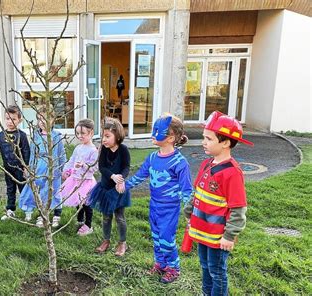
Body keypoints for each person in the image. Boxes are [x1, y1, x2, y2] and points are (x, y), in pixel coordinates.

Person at [184, 111, 253, 296]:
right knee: (205, 267)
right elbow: (197, 191)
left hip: (217, 237)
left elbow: (238, 209)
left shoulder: (232, 173)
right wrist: (189, 214)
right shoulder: (207, 164)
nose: (203, 142)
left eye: (209, 138)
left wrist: (229, 236)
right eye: (204, 138)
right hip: (202, 230)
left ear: (226, 142)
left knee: (217, 272)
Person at [124, 114, 192, 283]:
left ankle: (174, 269)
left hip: (170, 208)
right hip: (154, 206)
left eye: (157, 131)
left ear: (170, 138)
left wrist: (190, 214)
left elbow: (187, 190)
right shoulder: (153, 158)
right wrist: (124, 186)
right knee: (156, 237)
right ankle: (160, 264)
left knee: (166, 239)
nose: (153, 133)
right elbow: (140, 175)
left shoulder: (179, 162)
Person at [19, 106, 67, 227]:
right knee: (41, 192)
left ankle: (57, 214)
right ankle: (42, 215)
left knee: (55, 191)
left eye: (45, 119)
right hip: (40, 167)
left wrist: (64, 169)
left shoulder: (57, 136)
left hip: (54, 168)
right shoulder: (36, 135)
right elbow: (33, 152)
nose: (42, 122)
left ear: (52, 120)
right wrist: (30, 167)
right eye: (39, 119)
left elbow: (61, 153)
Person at [89, 117, 131, 257]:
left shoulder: (124, 150)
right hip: (106, 189)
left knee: (120, 217)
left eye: (107, 136)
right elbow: (102, 167)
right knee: (106, 217)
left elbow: (126, 167)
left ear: (117, 135)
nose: (104, 140)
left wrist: (121, 180)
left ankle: (122, 242)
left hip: (118, 190)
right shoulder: (104, 150)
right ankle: (106, 240)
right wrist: (112, 176)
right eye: (103, 137)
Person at [60, 119, 98, 236]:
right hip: (75, 180)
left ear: (91, 133)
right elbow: (71, 161)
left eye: (83, 133)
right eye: (77, 133)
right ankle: (80, 220)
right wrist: (66, 170)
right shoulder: (78, 148)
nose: (79, 136)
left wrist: (84, 165)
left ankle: (88, 225)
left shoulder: (93, 150)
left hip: (86, 181)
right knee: (77, 201)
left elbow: (94, 168)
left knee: (86, 203)